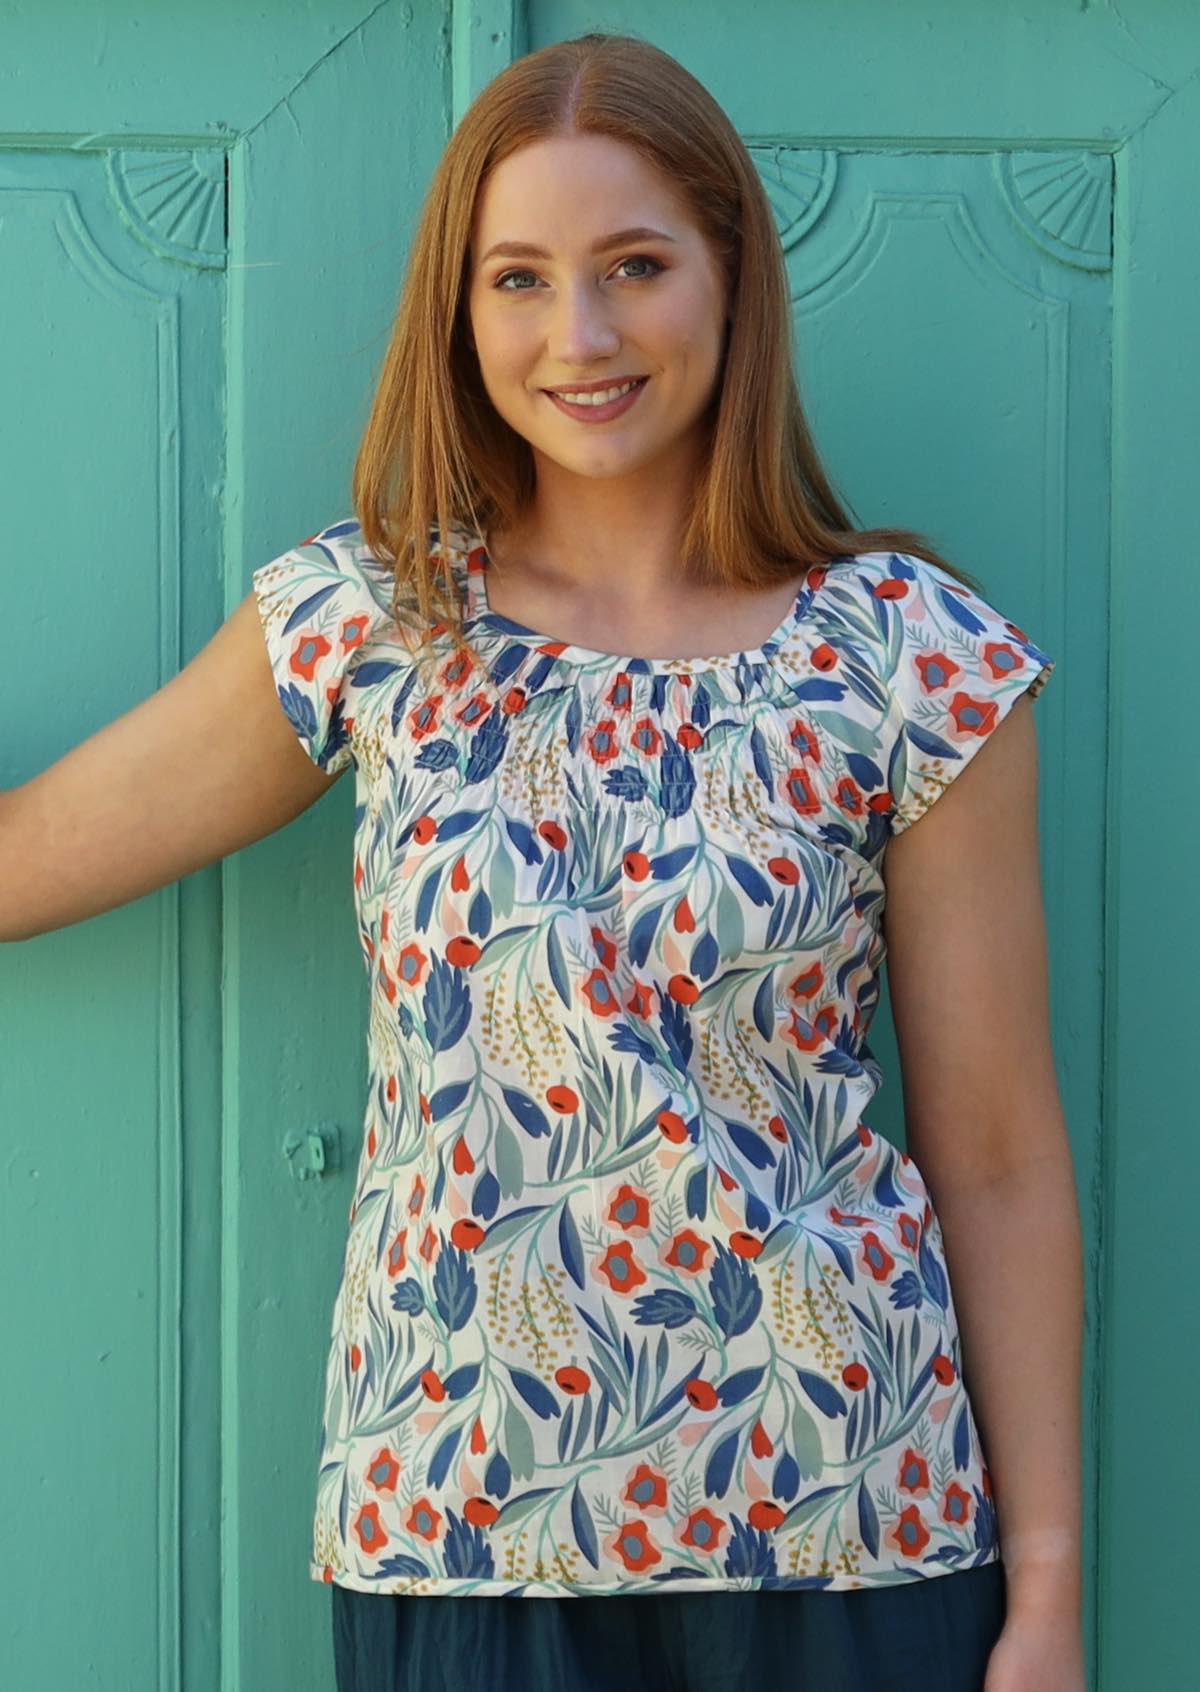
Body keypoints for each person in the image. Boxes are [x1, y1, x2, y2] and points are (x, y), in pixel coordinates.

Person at [0, 29, 1085, 1692]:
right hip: (458, 1537)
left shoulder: (906, 657)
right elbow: (25, 856)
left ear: (730, 275)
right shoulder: (367, 623)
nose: (577, 335)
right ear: (462, 308)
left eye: (634, 266)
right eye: (518, 278)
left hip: (849, 1532)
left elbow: (999, 1155)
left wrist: (1049, 1591)